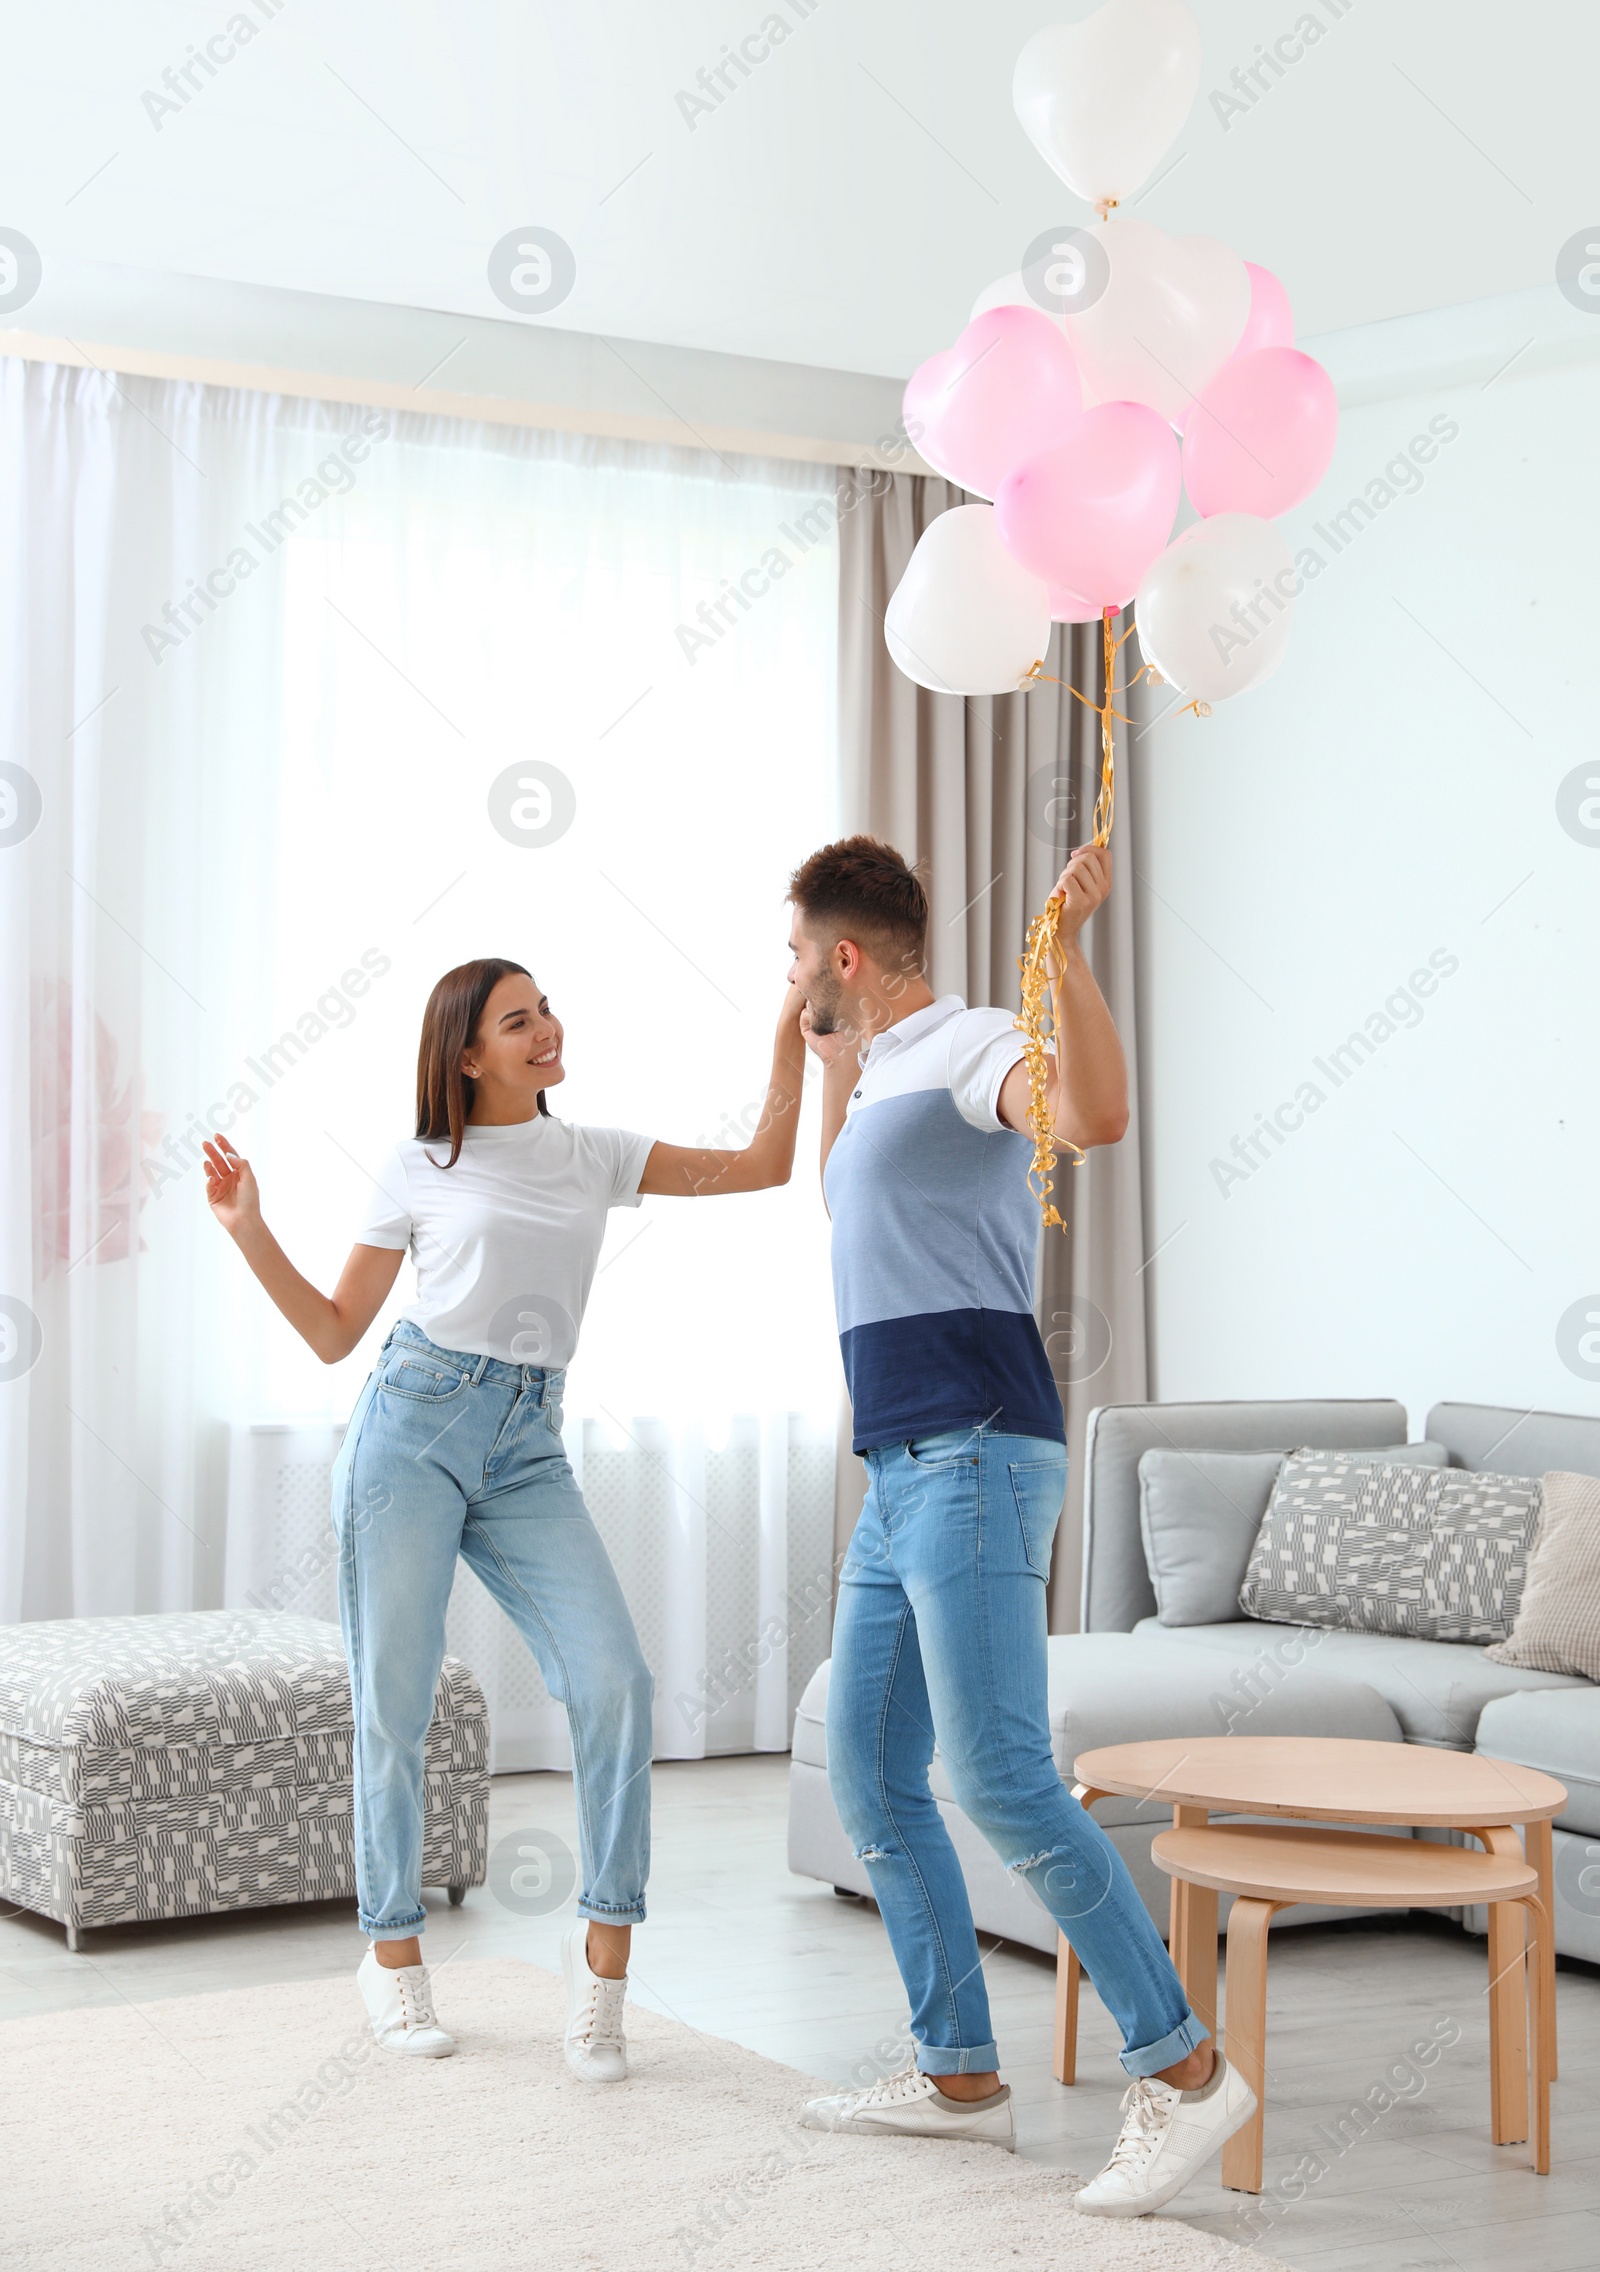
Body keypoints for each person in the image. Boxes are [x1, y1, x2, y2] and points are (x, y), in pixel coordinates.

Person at [205, 956, 805, 2074]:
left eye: (547, 1012)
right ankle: (391, 1962)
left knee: (615, 1680)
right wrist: (248, 1228)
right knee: (395, 1703)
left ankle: (602, 1976)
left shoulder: (596, 1154)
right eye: (517, 1021)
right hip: (412, 1429)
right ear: (466, 1054)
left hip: (529, 1440)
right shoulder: (419, 1165)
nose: (546, 1030)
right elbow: (338, 1333)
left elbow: (766, 1167)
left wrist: (786, 1026)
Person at [785, 838, 1254, 2219]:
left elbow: (1094, 1117)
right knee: (874, 1771)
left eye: (798, 955)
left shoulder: (974, 1042)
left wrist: (1059, 961)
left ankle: (1186, 2072)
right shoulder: (879, 1077)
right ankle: (958, 2079)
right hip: (903, 1468)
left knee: (995, 1774)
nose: (791, 974)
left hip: (977, 1453)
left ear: (845, 956)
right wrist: (825, 1061)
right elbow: (836, 1194)